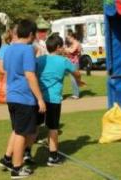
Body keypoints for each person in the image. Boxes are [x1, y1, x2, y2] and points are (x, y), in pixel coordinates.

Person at [0, 19, 46, 179]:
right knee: (21, 134)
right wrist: (40, 99)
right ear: (31, 34)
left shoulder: (9, 49)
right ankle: (17, 168)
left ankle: (6, 159)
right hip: (23, 98)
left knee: (17, 130)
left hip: (12, 96)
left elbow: (5, 69)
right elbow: (30, 75)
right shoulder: (27, 50)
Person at [36, 34, 85, 166]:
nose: (63, 48)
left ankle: (27, 153)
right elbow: (77, 73)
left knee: (34, 127)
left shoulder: (40, 60)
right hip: (53, 100)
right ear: (57, 47)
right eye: (62, 45)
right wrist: (79, 81)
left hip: (38, 98)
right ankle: (53, 157)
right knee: (53, 128)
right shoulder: (64, 61)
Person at [65, 32, 82, 99]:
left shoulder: (76, 43)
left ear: (72, 37)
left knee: (74, 79)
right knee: (72, 79)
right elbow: (67, 52)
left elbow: (71, 51)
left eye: (69, 38)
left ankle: (76, 95)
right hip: (71, 62)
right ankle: (75, 94)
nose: (68, 39)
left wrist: (66, 49)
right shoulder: (72, 44)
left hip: (75, 63)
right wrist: (66, 50)